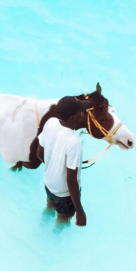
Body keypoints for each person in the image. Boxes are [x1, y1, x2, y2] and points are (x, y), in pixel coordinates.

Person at [36, 96, 87, 226]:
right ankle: (54, 239)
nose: (84, 114)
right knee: (63, 221)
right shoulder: (74, 143)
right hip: (64, 195)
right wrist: (79, 210)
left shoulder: (51, 122)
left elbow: (39, 153)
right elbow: (71, 180)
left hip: (48, 183)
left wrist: (54, 167)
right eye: (81, 112)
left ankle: (43, 223)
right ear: (72, 118)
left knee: (50, 206)